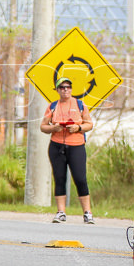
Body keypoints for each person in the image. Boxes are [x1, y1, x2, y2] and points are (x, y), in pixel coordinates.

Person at [39, 77, 95, 224]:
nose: (65, 90)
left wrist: (78, 128)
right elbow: (43, 126)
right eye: (62, 87)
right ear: (57, 90)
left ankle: (87, 212)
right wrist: (53, 128)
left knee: (80, 179)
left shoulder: (79, 104)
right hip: (57, 145)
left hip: (76, 145)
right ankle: (61, 212)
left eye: (68, 87)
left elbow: (89, 124)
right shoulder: (53, 106)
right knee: (59, 178)